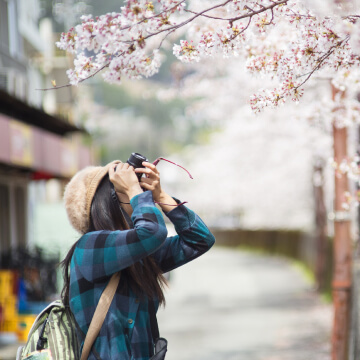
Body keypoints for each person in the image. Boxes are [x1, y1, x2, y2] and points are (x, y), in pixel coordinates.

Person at [61, 159, 215, 360]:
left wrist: (160, 195)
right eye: (126, 191)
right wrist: (136, 191)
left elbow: (200, 240)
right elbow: (153, 232)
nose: (139, 198)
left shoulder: (139, 256)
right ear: (107, 203)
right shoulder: (90, 247)